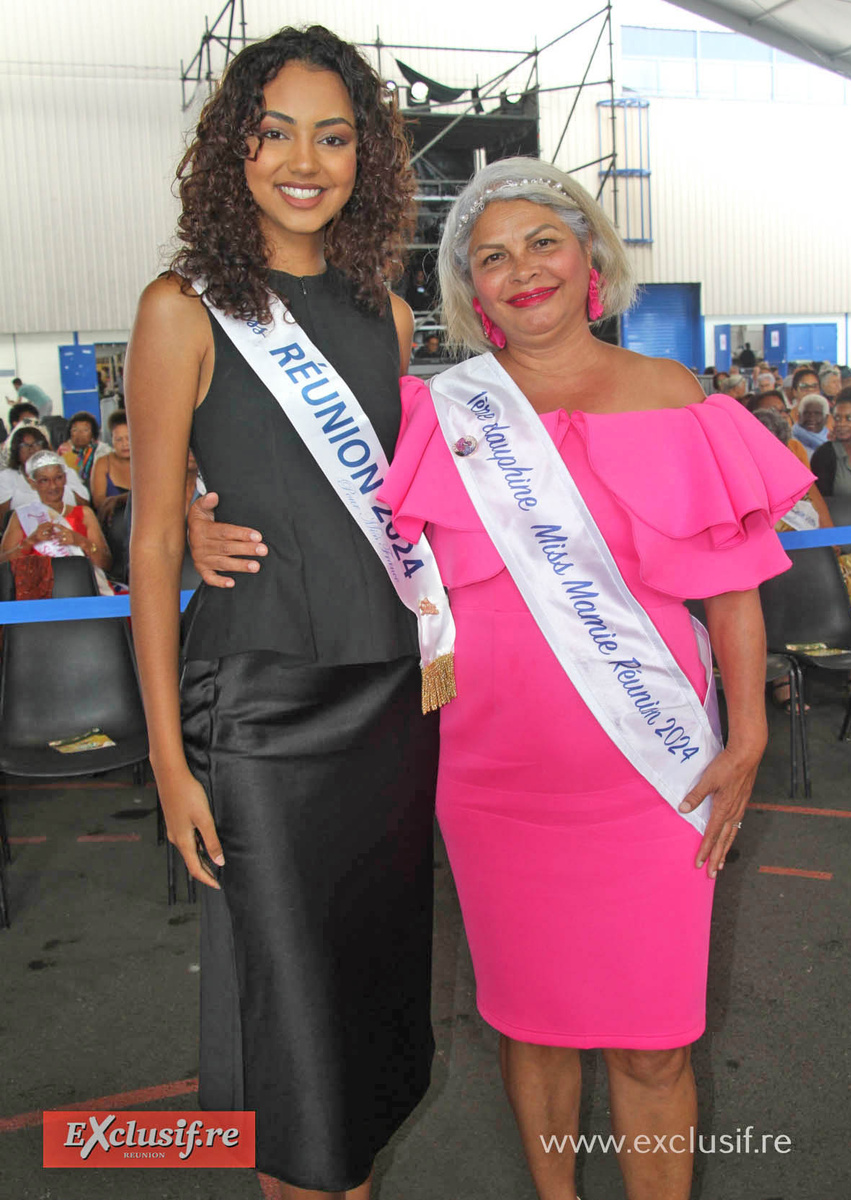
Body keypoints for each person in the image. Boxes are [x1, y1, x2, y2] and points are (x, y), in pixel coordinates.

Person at [373, 159, 812, 1200]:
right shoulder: (441, 412)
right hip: (492, 786)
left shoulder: (675, 398)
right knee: (532, 1028)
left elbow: (732, 588)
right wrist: (203, 520)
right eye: (492, 257)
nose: (521, 269)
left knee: (654, 1044)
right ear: (473, 297)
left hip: (651, 780)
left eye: (542, 243)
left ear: (589, 265)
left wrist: (745, 735)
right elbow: (312, 495)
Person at [125, 26, 441, 1200]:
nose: (304, 159)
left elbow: (396, 513)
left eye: (334, 134)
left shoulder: (390, 321)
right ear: (232, 150)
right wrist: (167, 761)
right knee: (296, 1036)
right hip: (258, 713)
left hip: (391, 708)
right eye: (274, 132)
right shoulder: (181, 307)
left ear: (366, 155)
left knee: (362, 1010)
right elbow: (156, 538)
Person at [0, 451, 111, 591]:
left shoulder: (84, 514)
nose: (53, 486)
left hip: (81, 591)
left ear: (65, 478)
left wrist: (81, 541)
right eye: (44, 480)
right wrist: (30, 542)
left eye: (58, 478)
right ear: (32, 483)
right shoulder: (21, 516)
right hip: (35, 595)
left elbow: (106, 563)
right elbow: (3, 563)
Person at [0, 425, 89, 520]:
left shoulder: (65, 472)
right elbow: (3, 519)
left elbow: (84, 507)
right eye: (24, 445)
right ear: (16, 450)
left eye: (37, 443)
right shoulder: (7, 477)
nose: (32, 449)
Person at [810, 386, 851, 496]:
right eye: (837, 418)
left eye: (849, 419)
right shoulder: (824, 455)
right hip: (837, 512)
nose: (841, 424)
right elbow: (821, 500)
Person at [90, 410, 131, 509]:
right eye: (119, 439)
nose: (124, 444)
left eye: (128, 438)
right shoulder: (102, 463)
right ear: (111, 440)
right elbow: (98, 502)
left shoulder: (147, 463)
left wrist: (120, 499)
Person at [59, 411, 110, 487]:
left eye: (85, 430)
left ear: (93, 433)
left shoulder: (103, 450)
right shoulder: (63, 451)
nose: (80, 434)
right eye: (75, 430)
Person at [792, 393, 831, 459]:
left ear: (826, 418)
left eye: (817, 414)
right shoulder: (790, 441)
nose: (811, 418)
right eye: (807, 413)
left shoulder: (832, 441)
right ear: (798, 416)